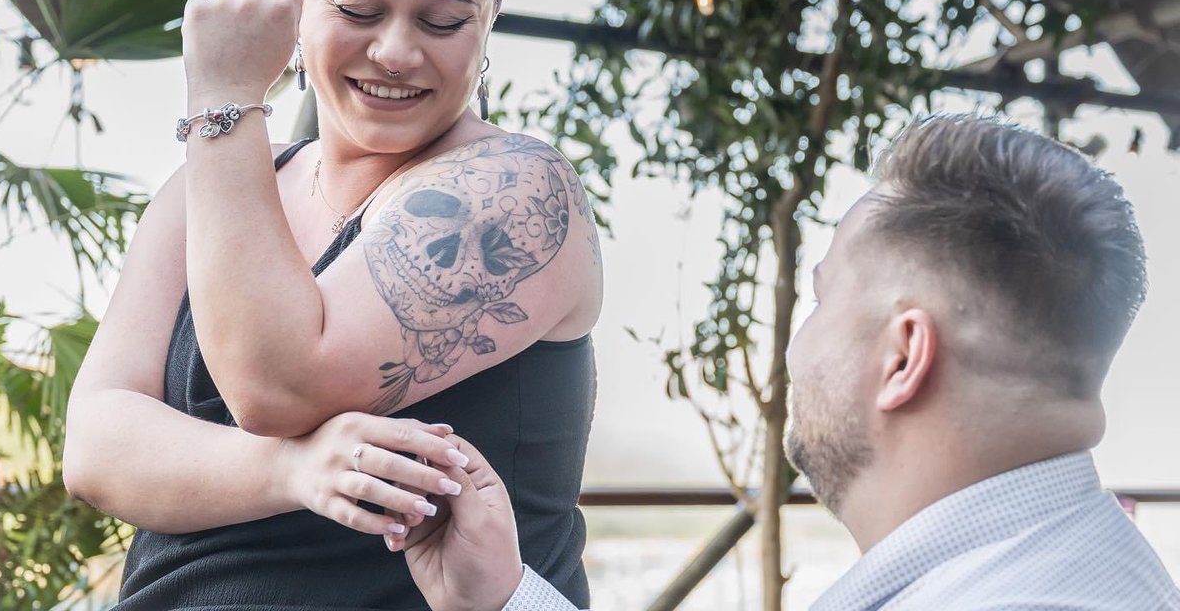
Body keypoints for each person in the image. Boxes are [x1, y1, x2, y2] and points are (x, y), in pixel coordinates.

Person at [62, 0, 602, 610]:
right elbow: (95, 447)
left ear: (490, 19)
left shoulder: (518, 189)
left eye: (443, 20)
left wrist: (225, 95)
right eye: (358, 9)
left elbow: (277, 384)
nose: (395, 51)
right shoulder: (207, 189)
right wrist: (293, 470)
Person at [400, 115, 1180, 610]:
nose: (793, 350)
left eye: (821, 298)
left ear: (903, 356)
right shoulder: (1061, 562)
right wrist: (502, 595)